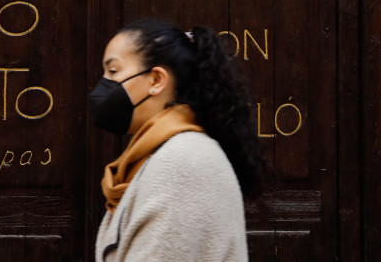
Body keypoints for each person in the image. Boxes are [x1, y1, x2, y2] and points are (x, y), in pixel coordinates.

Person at [89, 18, 264, 262]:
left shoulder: (183, 161)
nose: (102, 85)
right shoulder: (161, 156)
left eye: (114, 71)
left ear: (156, 80)